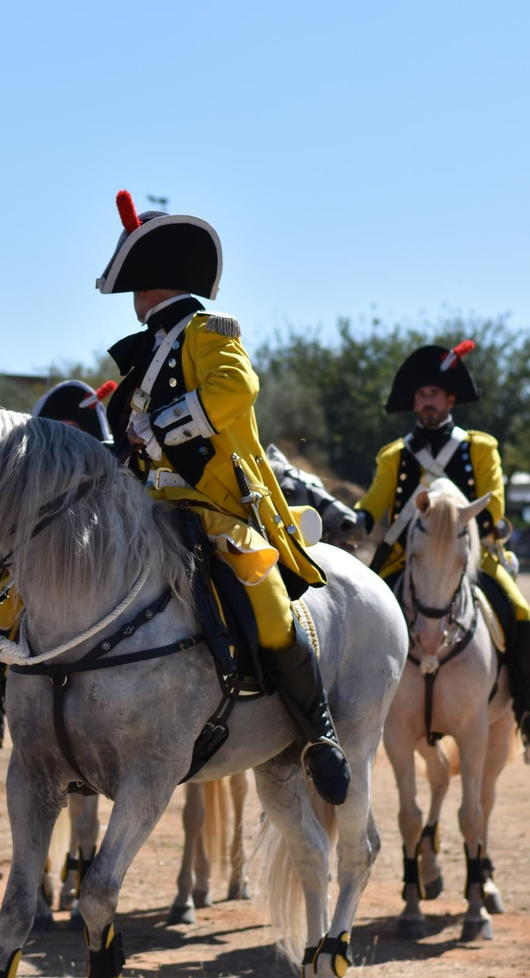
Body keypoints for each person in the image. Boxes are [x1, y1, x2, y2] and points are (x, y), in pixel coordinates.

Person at [98, 190, 348, 804]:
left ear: (154, 283)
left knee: (267, 605)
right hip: (149, 510)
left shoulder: (210, 331)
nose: (132, 299)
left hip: (220, 510)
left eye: (136, 285)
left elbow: (237, 390)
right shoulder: (148, 354)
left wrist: (157, 427)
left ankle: (318, 733)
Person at [355, 340, 530, 748]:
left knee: (521, 612)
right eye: (420, 395)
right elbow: (374, 503)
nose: (426, 402)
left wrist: (495, 523)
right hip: (406, 559)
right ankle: (355, 706)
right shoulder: (394, 456)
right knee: (360, 613)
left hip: (472, 558)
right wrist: (355, 519)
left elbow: (493, 501)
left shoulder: (479, 448)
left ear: (450, 399)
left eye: (433, 394)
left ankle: (527, 707)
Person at [0, 378, 115, 748]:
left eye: (74, 431)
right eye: (58, 431)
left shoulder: (106, 475)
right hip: (32, 574)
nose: (66, 441)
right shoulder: (29, 480)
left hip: (96, 568)